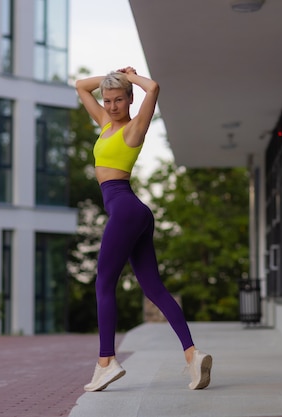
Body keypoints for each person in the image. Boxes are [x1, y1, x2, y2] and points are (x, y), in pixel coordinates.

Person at [75, 67, 213, 392]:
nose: (110, 106)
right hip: (135, 212)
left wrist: (132, 78)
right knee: (154, 289)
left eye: (118, 100)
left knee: (104, 284)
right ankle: (193, 356)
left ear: (129, 100)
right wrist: (113, 75)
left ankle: (106, 362)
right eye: (107, 100)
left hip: (125, 210)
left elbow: (153, 89)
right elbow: (81, 87)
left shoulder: (134, 129)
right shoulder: (106, 124)